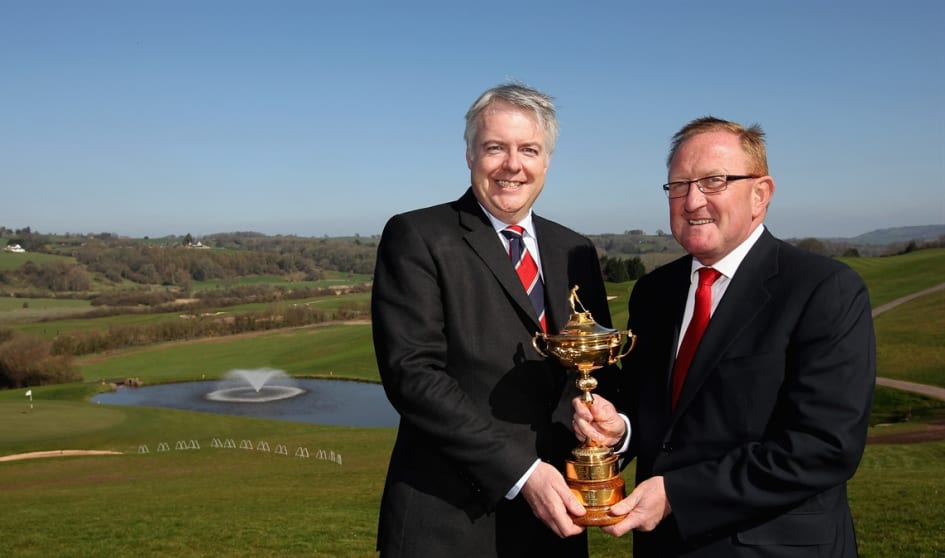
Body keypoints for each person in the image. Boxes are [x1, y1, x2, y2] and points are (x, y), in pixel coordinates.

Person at [574, 116, 876, 557]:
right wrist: (619, 429)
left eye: (714, 181)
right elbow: (657, 413)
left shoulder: (823, 289)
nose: (692, 200)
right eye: (678, 184)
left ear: (761, 193)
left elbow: (824, 446)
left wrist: (678, 493)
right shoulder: (654, 293)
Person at [371, 83, 614, 557]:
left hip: (558, 521)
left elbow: (599, 372)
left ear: (546, 161)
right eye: (494, 148)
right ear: (469, 155)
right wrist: (523, 474)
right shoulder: (418, 236)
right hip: (449, 523)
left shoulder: (576, 249)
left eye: (529, 149)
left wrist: (613, 426)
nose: (512, 165)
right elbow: (413, 375)